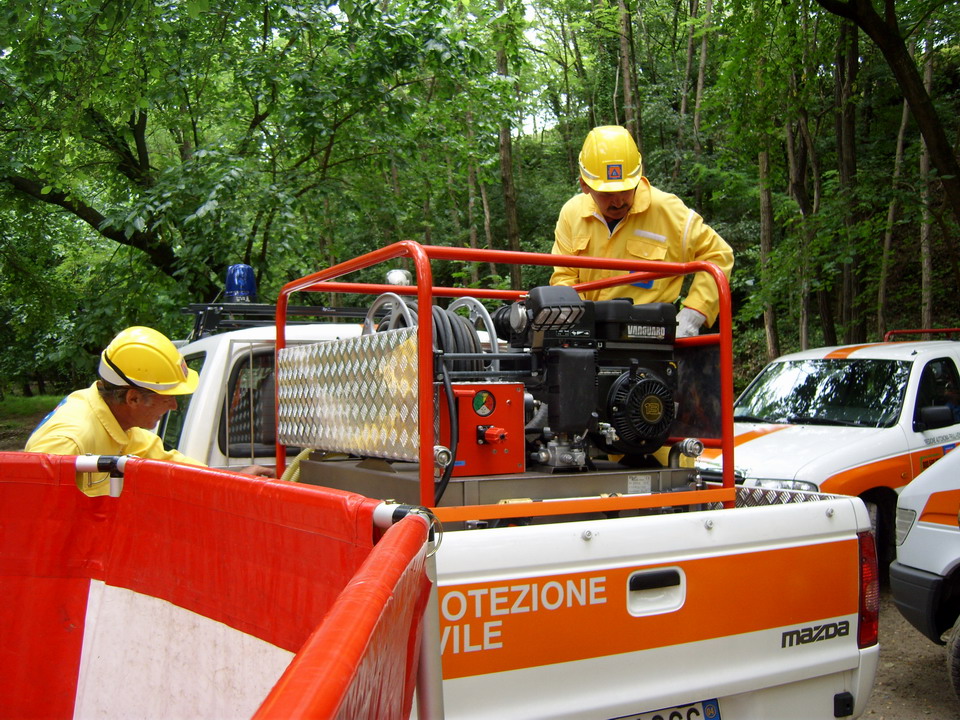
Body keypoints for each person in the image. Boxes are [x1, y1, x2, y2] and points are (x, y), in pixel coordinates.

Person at [25, 325, 275, 496]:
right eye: (168, 398)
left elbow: (173, 465)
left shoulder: (119, 424)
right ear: (133, 398)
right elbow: (32, 521)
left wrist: (237, 481)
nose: (174, 406)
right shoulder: (66, 442)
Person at [551, 125, 734, 337]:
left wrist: (692, 316)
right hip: (590, 334)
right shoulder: (572, 214)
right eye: (607, 194)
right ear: (585, 185)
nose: (618, 201)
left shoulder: (670, 212)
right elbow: (564, 277)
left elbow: (719, 255)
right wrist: (573, 321)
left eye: (625, 190)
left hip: (650, 336)